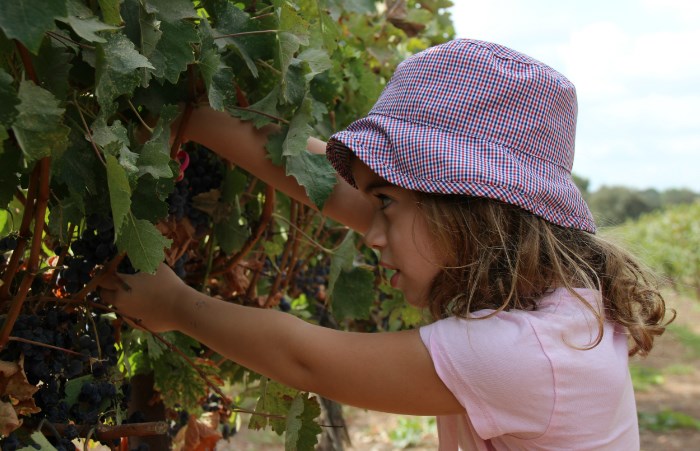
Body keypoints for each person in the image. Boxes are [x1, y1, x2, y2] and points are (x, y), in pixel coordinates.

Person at [100, 39, 673, 449]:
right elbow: (327, 186)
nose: (370, 232)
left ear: (470, 212)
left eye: (386, 205)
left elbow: (307, 359)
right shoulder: (560, 299)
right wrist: (196, 119)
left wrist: (174, 306)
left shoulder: (525, 355)